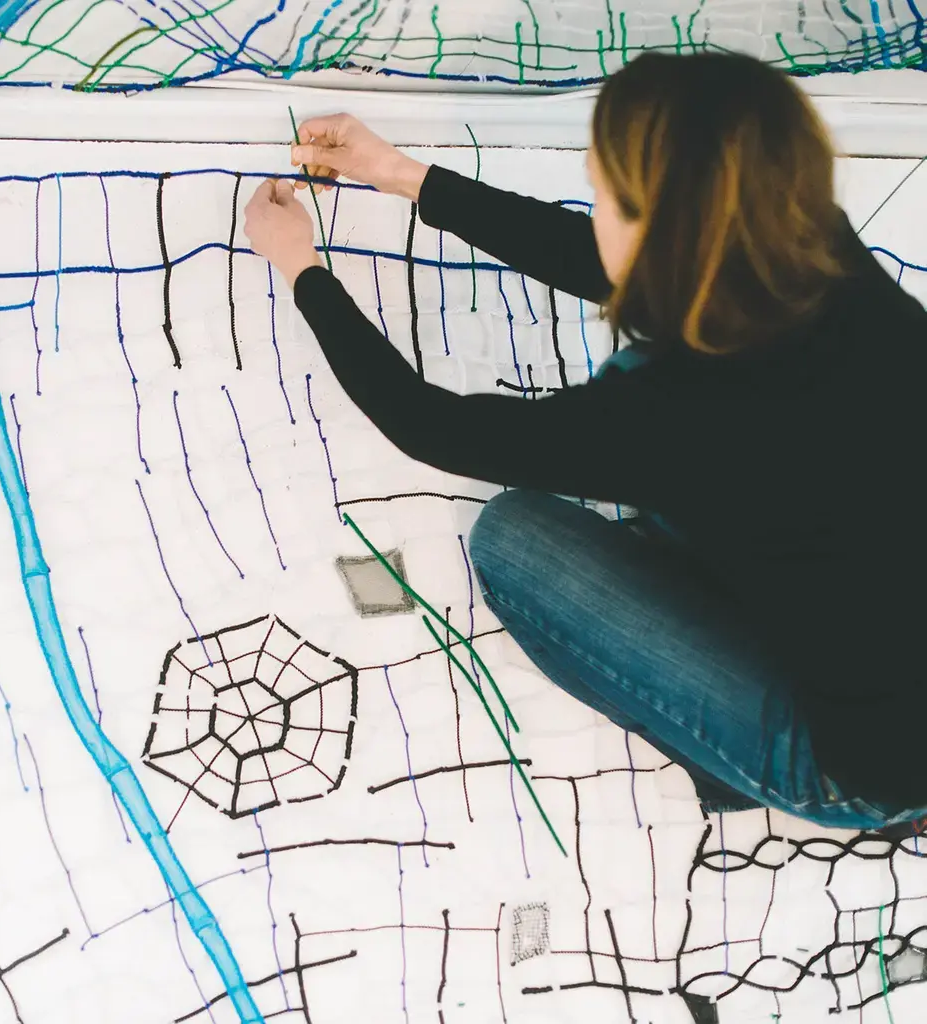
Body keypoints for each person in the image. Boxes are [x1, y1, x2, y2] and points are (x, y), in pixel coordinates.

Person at [242, 50, 927, 835]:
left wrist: (300, 268)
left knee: (515, 539)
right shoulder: (824, 255)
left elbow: (429, 425)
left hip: (870, 768)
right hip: (870, 607)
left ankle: (736, 771)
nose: (593, 210)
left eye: (601, 194)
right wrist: (400, 174)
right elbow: (614, 264)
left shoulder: (672, 416)